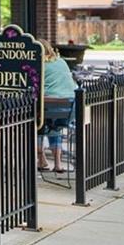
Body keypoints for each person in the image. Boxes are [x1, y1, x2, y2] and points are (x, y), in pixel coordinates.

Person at [38, 39, 78, 171]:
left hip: (48, 107)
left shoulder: (39, 64)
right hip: (70, 108)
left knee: (37, 124)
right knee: (55, 127)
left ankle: (41, 160)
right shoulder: (61, 61)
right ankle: (58, 164)